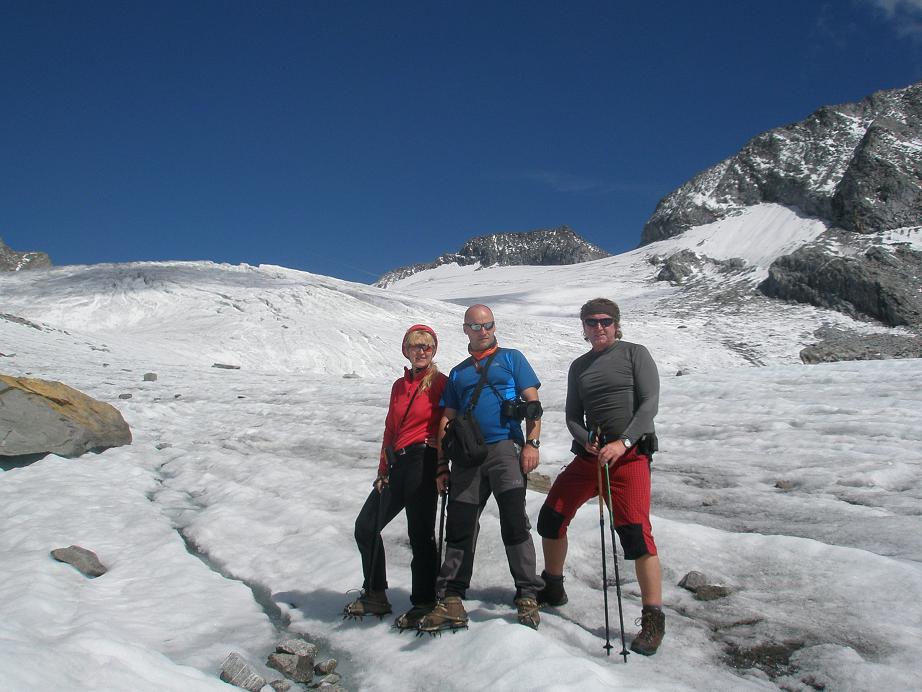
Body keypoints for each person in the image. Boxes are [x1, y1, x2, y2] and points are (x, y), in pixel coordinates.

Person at [536, 298, 665, 656]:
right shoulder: (579, 366)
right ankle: (553, 585)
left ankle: (653, 618)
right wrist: (585, 440)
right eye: (591, 322)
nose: (599, 327)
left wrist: (623, 442)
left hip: (630, 456)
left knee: (636, 533)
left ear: (616, 323)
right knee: (551, 517)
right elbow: (573, 415)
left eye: (605, 321)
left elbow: (649, 403)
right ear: (584, 327)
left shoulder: (635, 354)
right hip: (592, 456)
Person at [417, 304, 545, 633]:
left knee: (514, 520)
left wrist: (531, 444)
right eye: (476, 326)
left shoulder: (512, 358)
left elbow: (532, 403)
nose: (483, 331)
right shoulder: (459, 373)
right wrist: (442, 465)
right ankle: (452, 595)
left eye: (487, 325)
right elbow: (446, 419)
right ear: (465, 329)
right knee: (460, 522)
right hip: (468, 454)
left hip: (505, 448)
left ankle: (527, 592)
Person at [344, 324, 448, 631]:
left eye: (427, 346)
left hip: (423, 462)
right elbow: (391, 428)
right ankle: (376, 592)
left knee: (420, 534)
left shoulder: (441, 383)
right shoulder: (398, 386)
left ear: (433, 351)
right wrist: (382, 469)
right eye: (416, 346)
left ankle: (425, 602)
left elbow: (449, 421)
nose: (421, 351)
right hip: (398, 463)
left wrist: (442, 459)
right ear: (406, 349)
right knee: (366, 526)